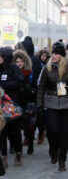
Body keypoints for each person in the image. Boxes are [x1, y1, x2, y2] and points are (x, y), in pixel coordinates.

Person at [0, 48, 25, 167]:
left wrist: (3, 86)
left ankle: (18, 153)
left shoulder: (13, 68)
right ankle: (3, 158)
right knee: (1, 132)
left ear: (4, 57)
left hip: (11, 105)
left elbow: (20, 83)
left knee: (14, 132)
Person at [37, 42, 68, 172]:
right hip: (51, 103)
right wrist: (39, 104)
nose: (53, 56)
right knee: (53, 131)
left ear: (62, 55)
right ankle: (53, 150)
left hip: (66, 104)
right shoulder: (47, 68)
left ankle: (62, 160)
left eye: (56, 54)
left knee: (65, 134)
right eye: (53, 53)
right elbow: (41, 87)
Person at [13, 49, 35, 155]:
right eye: (16, 62)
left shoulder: (29, 73)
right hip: (16, 102)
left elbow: (34, 86)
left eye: (20, 61)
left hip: (27, 102)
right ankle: (15, 146)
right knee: (16, 126)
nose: (19, 64)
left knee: (29, 126)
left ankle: (30, 144)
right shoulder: (12, 73)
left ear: (25, 62)